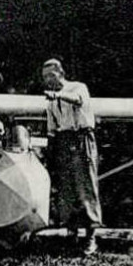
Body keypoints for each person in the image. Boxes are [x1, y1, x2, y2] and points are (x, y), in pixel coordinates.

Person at [41, 58, 102, 255]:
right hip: (63, 140)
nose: (48, 80)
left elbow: (78, 100)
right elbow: (52, 127)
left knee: (85, 186)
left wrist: (58, 96)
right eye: (45, 77)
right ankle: (72, 234)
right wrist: (51, 153)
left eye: (51, 75)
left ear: (60, 73)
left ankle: (91, 237)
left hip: (81, 137)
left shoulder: (78, 87)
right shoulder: (50, 99)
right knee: (66, 189)